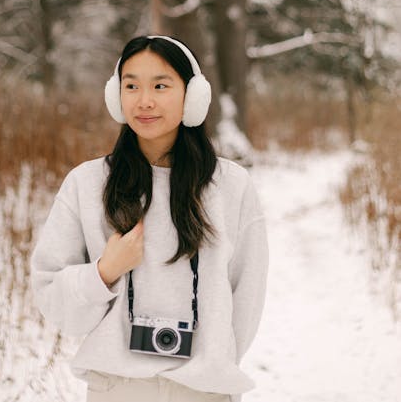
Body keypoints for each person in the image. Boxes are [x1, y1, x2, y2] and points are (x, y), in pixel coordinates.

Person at [30, 35, 269, 402]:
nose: (144, 100)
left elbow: (247, 293)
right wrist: (104, 272)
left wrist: (215, 364)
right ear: (116, 96)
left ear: (192, 96)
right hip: (117, 389)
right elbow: (53, 298)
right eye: (131, 86)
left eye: (160, 85)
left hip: (204, 392)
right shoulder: (87, 183)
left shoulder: (230, 186)